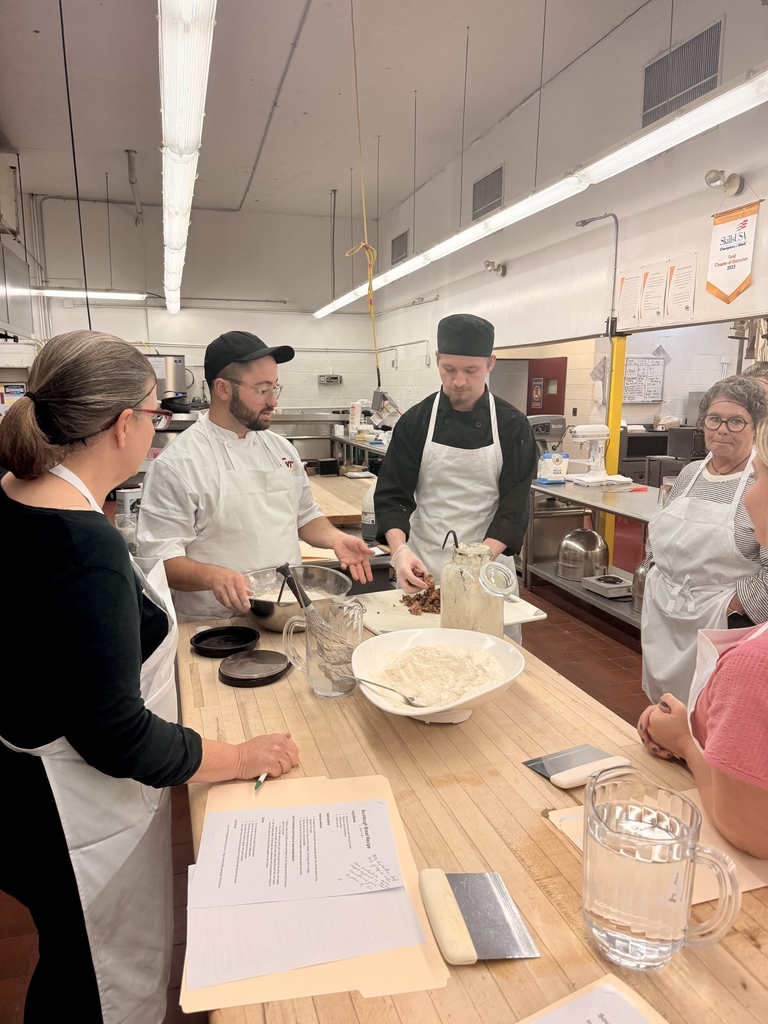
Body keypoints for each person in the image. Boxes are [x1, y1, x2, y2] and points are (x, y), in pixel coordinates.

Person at [0, 331, 299, 1024]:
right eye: (153, 413)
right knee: (95, 978)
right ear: (122, 425)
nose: (156, 426)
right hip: (69, 810)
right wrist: (237, 758)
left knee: (67, 956)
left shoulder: (16, 495)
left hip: (21, 778)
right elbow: (117, 736)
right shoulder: (85, 549)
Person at [138, 330, 373, 621]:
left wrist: (336, 539)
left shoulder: (281, 449)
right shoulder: (178, 464)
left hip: (287, 615)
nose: (273, 401)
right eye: (262, 390)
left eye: (275, 388)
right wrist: (213, 577)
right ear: (223, 389)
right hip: (215, 626)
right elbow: (160, 559)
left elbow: (304, 516)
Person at [637, 415, 768, 860]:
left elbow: (749, 829)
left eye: (760, 478)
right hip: (669, 607)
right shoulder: (692, 473)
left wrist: (684, 745)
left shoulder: (752, 663)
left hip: (716, 610)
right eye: (715, 419)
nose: (749, 493)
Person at [374, 313, 537, 631]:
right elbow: (393, 496)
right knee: (421, 651)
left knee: (489, 650)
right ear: (437, 359)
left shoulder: (512, 425)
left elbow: (514, 508)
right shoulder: (416, 421)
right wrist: (400, 552)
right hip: (424, 567)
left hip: (488, 567)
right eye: (449, 369)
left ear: (490, 363)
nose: (459, 381)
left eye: (471, 371)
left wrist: (477, 563)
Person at [640, 375, 768, 704]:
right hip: (664, 617)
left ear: (757, 428)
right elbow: (661, 529)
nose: (722, 430)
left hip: (720, 624)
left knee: (711, 711)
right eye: (714, 419)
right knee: (666, 709)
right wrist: (654, 572)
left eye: (736, 421)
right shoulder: (690, 473)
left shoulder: (760, 484)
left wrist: (733, 606)